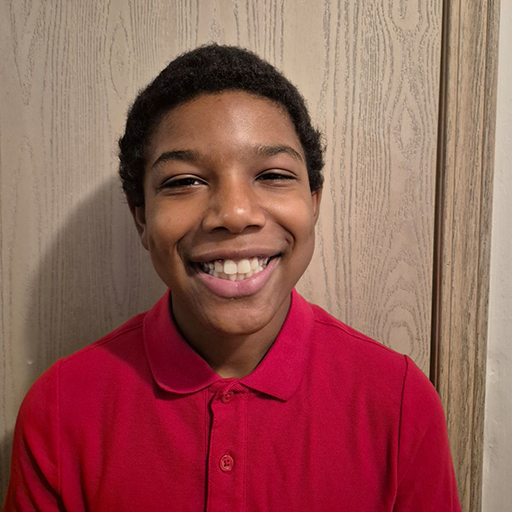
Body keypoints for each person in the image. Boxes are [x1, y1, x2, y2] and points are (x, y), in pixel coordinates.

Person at [3, 45, 461, 511]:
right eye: (184, 181)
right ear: (141, 218)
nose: (236, 213)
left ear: (314, 203)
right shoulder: (60, 410)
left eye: (274, 175)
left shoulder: (400, 404)